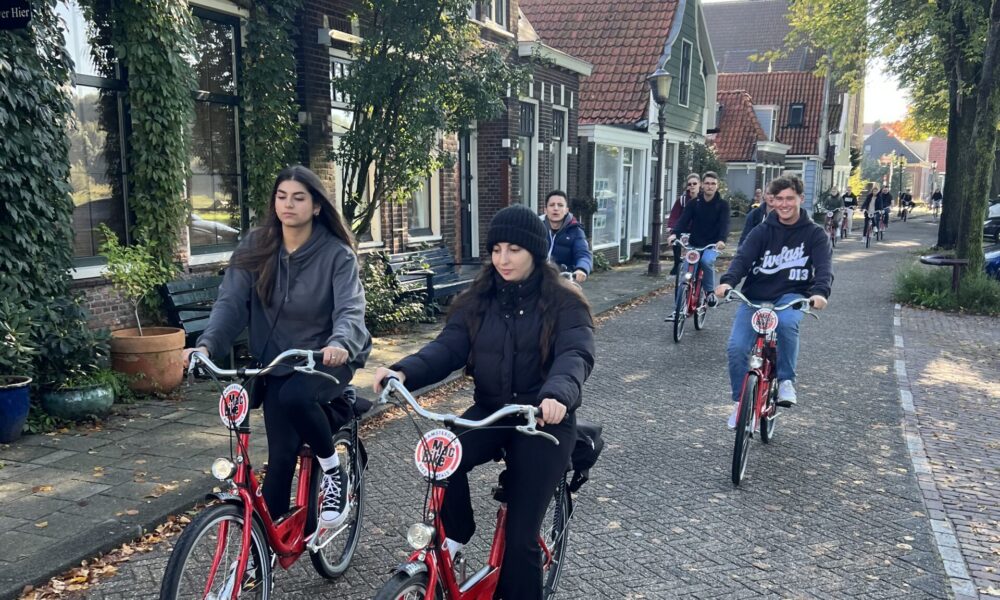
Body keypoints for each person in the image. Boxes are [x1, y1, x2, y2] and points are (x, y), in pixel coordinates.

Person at [373, 205, 594, 600]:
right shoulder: (478, 300)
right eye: (496, 249)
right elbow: (447, 347)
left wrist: (558, 394)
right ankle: (456, 533)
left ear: (535, 251)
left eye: (514, 249)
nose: (503, 259)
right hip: (492, 412)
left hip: (543, 421)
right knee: (442, 453)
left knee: (521, 541)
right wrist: (403, 371)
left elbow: (575, 355)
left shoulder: (564, 303)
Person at [181, 165, 371, 529]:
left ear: (316, 206)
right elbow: (231, 304)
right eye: (282, 197)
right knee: (281, 457)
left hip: (327, 358)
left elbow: (349, 307)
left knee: (297, 397)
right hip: (278, 362)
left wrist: (340, 342)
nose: (289, 205)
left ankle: (333, 472)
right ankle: (263, 555)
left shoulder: (336, 255)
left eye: (299, 198)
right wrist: (205, 347)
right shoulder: (256, 246)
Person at [715, 175, 832, 429]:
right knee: (736, 347)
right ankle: (739, 403)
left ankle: (786, 380)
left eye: (790, 198)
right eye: (779, 199)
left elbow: (823, 268)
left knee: (788, 324)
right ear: (772, 201)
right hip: (756, 297)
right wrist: (727, 282)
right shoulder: (762, 231)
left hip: (791, 296)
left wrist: (820, 293)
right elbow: (742, 260)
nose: (784, 204)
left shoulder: (815, 235)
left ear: (801, 198)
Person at [667, 171, 730, 308]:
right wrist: (674, 234)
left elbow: (725, 224)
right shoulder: (694, 203)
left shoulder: (722, 205)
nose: (710, 186)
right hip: (694, 244)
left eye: (713, 184)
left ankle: (709, 293)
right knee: (686, 271)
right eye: (707, 183)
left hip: (712, 244)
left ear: (717, 186)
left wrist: (722, 240)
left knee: (706, 261)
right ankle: (679, 307)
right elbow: (683, 220)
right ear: (702, 185)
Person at [540, 190, 592, 283]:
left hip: (562, 281)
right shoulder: (536, 228)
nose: (555, 208)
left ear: (566, 210)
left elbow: (583, 254)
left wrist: (582, 268)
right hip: (537, 279)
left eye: (560, 205)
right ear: (545, 210)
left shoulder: (576, 231)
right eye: (552, 205)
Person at [667, 173, 701, 276]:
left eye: (694, 183)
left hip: (697, 228)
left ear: (700, 184)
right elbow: (674, 214)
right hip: (684, 228)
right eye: (689, 184)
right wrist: (671, 227)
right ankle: (677, 263)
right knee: (676, 241)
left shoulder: (704, 200)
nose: (692, 186)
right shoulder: (682, 200)